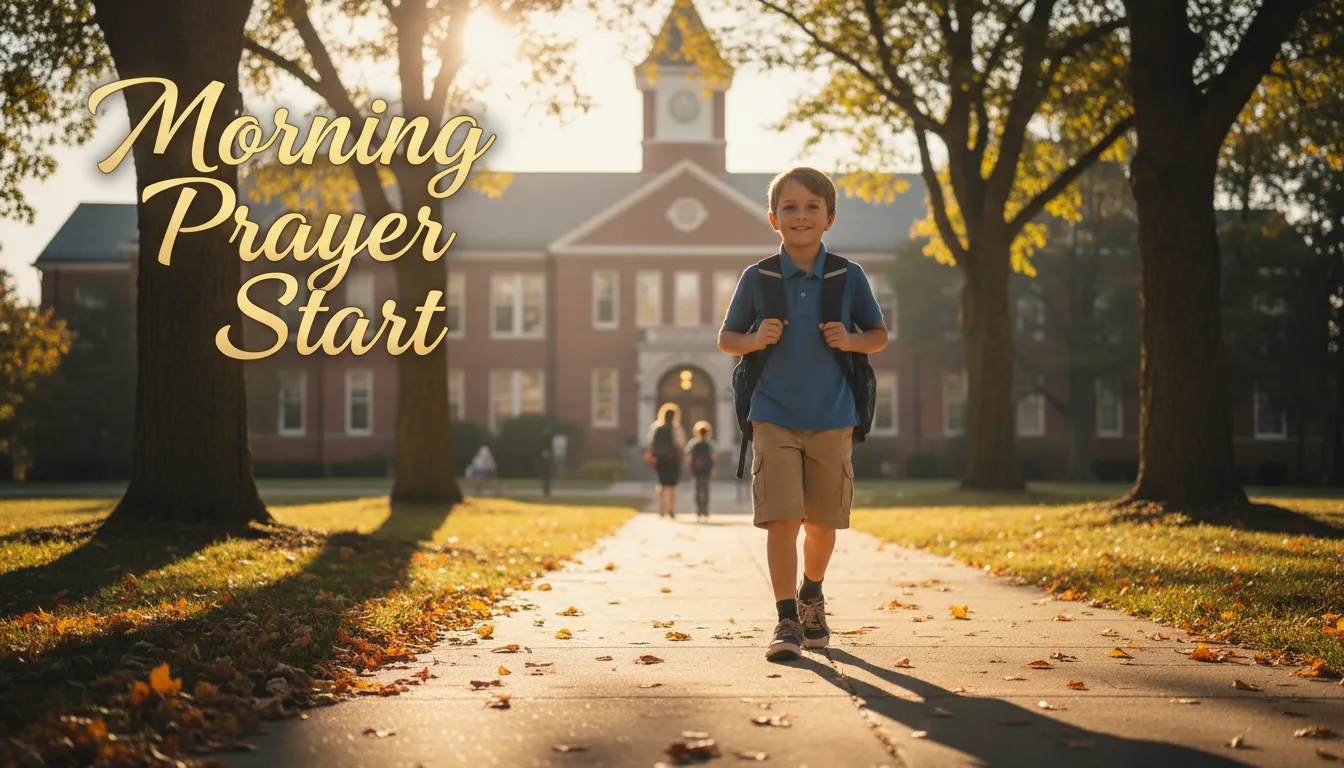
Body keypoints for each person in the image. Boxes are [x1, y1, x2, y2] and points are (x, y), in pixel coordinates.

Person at [718, 166, 889, 662]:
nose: (800, 216)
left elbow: (878, 335)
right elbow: (727, 338)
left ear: (829, 217)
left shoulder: (847, 276)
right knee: (782, 519)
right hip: (772, 415)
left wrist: (850, 340)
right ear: (773, 218)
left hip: (834, 416)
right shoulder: (758, 277)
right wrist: (755, 339)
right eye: (789, 207)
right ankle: (786, 618)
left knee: (822, 524)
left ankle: (812, 592)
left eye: (812, 207)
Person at [644, 404, 686, 518]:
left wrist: (650, 455)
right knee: (672, 485)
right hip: (673, 458)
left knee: (661, 483)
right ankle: (671, 508)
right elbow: (680, 443)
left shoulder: (655, 427)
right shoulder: (676, 428)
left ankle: (661, 507)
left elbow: (650, 443)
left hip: (660, 459)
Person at [682, 421, 718, 521]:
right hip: (706, 468)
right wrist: (713, 467)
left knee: (697, 489)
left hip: (696, 468)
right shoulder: (710, 444)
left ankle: (698, 510)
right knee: (705, 489)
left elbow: (687, 455)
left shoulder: (693, 443)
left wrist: (689, 465)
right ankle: (705, 510)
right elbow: (713, 456)